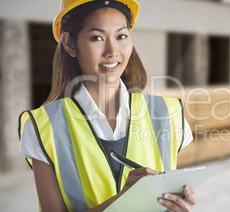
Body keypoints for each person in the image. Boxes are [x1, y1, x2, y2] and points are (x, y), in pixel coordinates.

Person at [18, 0, 196, 211]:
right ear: (69, 44)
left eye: (121, 36)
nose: (112, 51)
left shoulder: (169, 113)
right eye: (97, 38)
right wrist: (124, 201)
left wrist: (177, 205)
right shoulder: (42, 127)